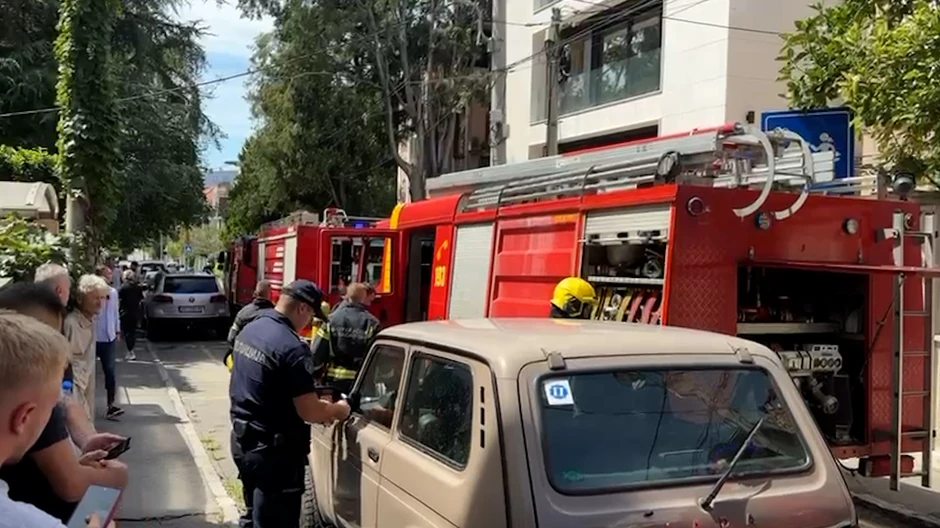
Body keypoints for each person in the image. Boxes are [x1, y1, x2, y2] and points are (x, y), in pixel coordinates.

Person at [0, 283, 128, 521]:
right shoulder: (32, 388)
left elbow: (66, 404)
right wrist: (116, 478)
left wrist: (84, 443)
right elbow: (70, 484)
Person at [229, 279, 350, 528]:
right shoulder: (292, 347)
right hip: (274, 455)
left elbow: (260, 382)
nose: (309, 323)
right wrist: (338, 410)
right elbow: (310, 411)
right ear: (302, 308)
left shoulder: (251, 329)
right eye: (311, 315)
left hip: (243, 442)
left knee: (253, 515)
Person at [312, 282, 380, 397]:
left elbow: (317, 352)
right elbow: (377, 357)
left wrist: (316, 375)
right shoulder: (372, 323)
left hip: (334, 382)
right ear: (363, 298)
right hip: (361, 382)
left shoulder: (331, 320)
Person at [65, 275, 109, 420]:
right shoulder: (71, 324)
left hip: (85, 388)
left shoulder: (91, 321)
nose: (100, 303)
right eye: (95, 298)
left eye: (102, 298)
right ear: (80, 299)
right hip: (74, 390)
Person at [224, 281, 274, 370]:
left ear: (255, 293)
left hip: (243, 362)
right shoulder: (274, 316)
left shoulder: (243, 312)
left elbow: (231, 338)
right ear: (270, 294)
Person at [94, 266, 122, 420]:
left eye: (110, 274)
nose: (110, 276)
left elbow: (115, 312)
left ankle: (111, 405)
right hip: (93, 337)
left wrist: (117, 330)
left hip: (109, 337)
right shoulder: (92, 293)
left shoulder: (113, 292)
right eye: (107, 274)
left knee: (110, 373)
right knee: (86, 372)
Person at [119, 270, 144, 361]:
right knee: (132, 332)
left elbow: (119, 300)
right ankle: (131, 350)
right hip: (135, 312)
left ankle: (130, 351)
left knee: (126, 332)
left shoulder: (123, 288)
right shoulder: (137, 288)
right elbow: (141, 299)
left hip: (125, 312)